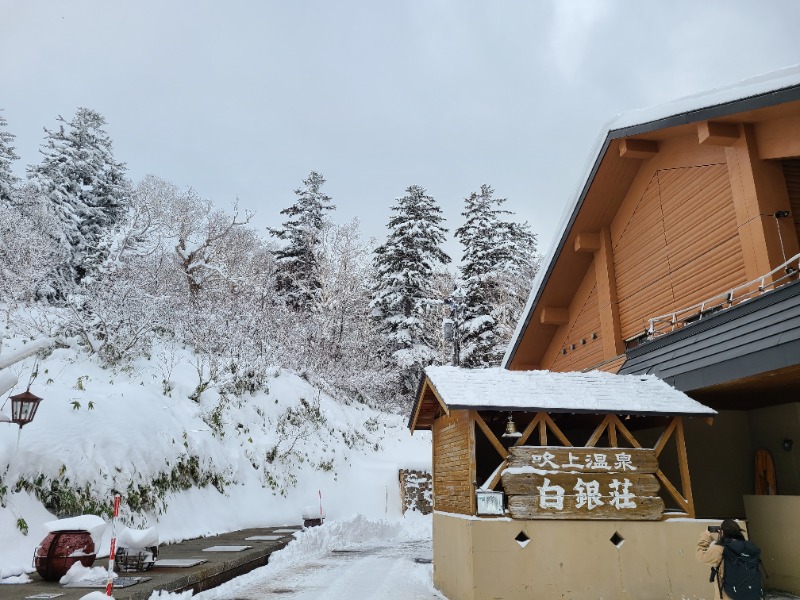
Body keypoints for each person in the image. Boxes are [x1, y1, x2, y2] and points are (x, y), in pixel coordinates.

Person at [695, 519, 747, 600]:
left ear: (722, 532)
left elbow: (700, 555)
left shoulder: (719, 549)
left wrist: (706, 537)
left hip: (727, 595)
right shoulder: (745, 546)